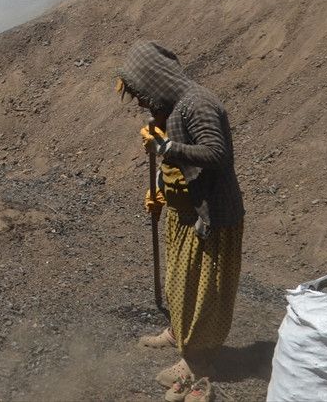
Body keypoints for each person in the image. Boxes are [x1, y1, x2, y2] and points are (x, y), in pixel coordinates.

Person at [116, 41, 244, 402]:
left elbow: (216, 153)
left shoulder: (197, 104)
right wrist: (160, 188)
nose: (139, 102)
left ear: (155, 82)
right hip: (184, 211)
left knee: (201, 291)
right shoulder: (173, 108)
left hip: (211, 215)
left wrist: (167, 149)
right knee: (179, 282)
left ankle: (198, 363)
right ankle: (179, 331)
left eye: (141, 93)